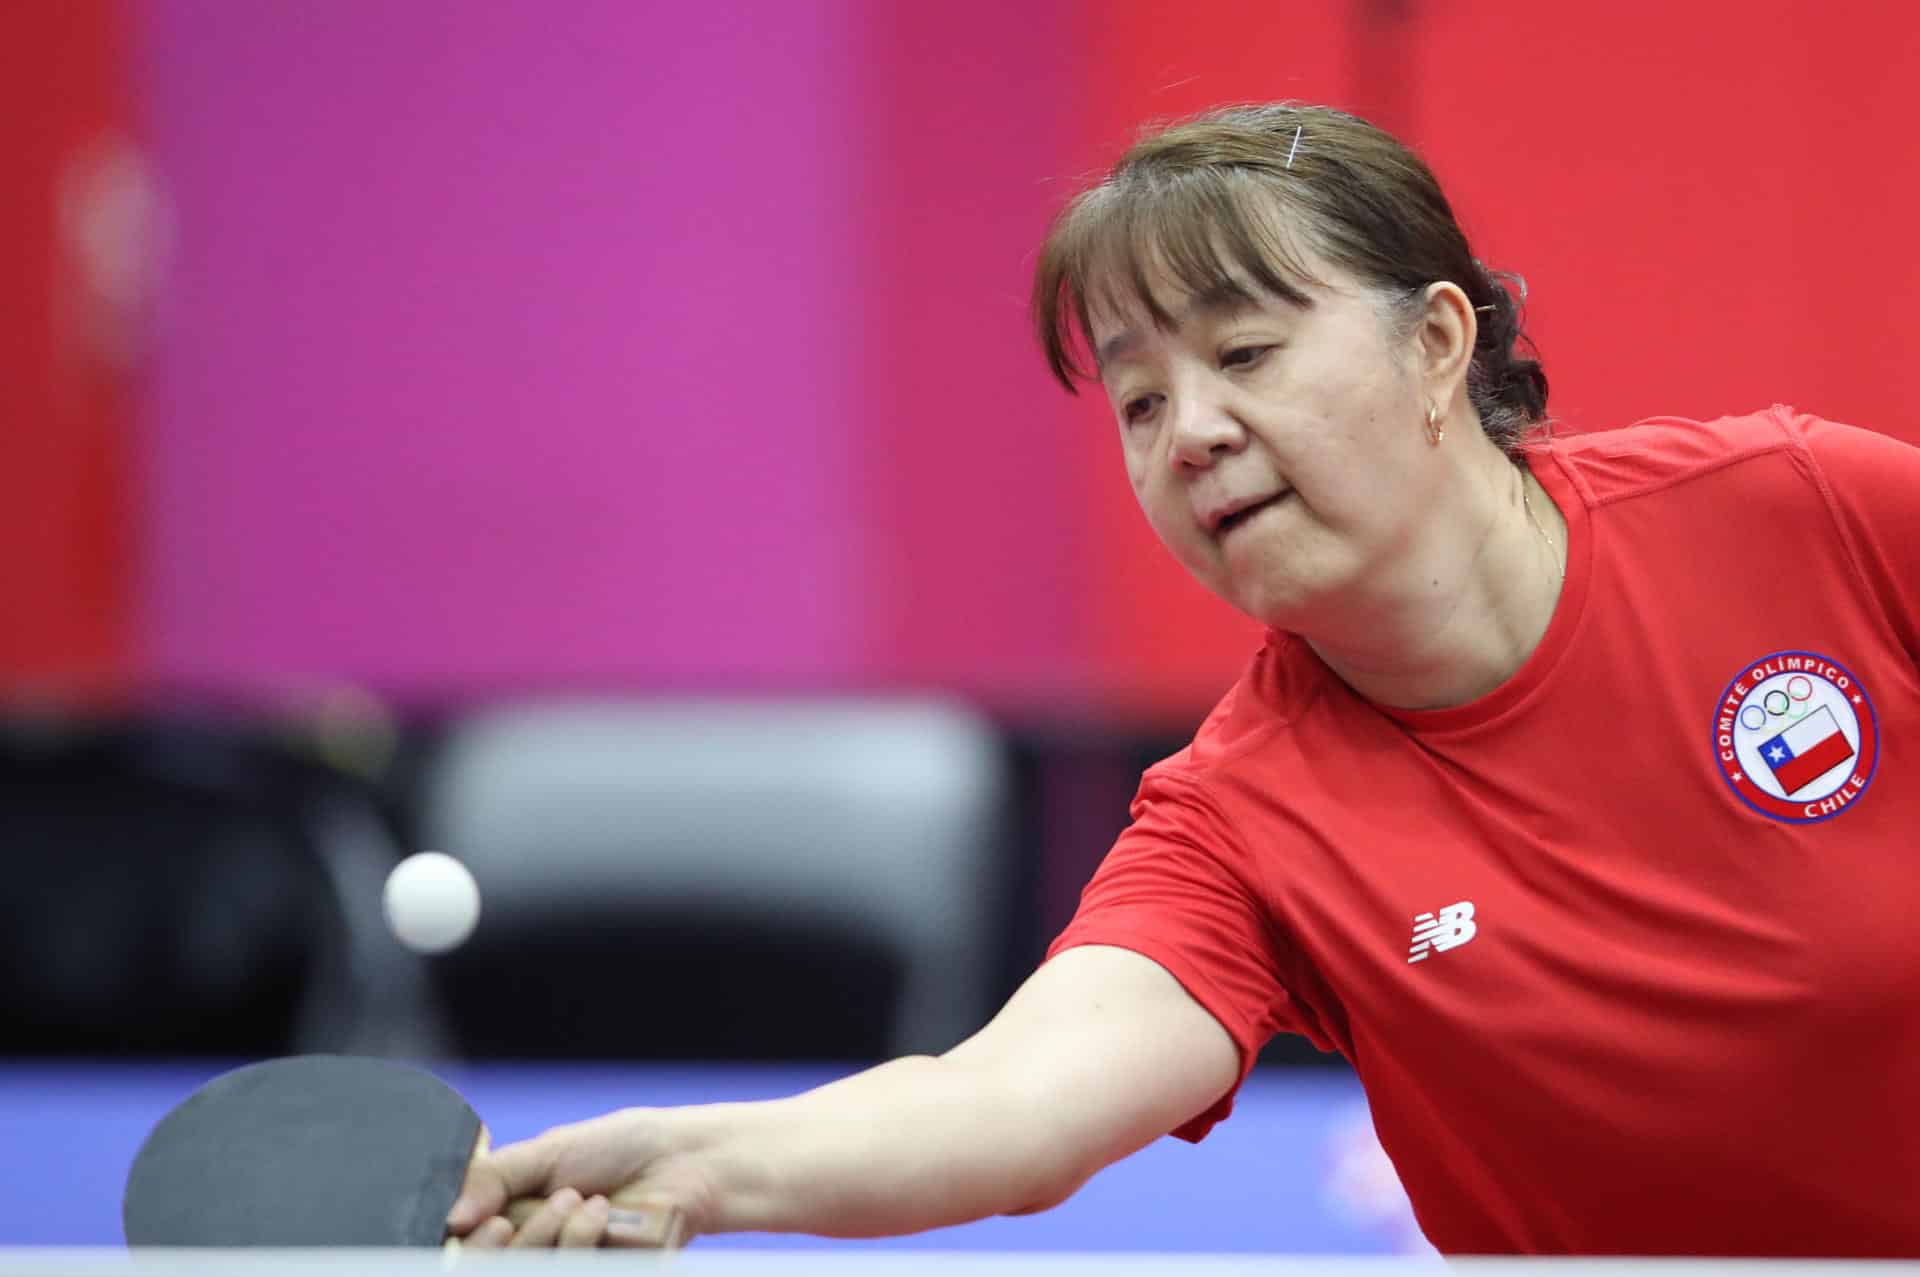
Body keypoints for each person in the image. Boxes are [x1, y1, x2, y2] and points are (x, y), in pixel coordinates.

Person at [446, 103, 1920, 1256]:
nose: (1191, 432)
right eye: (1142, 398)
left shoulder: (1807, 509)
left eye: (1249, 351)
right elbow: (1007, 1107)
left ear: (1436, 343)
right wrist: (692, 1168)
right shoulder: (1241, 822)